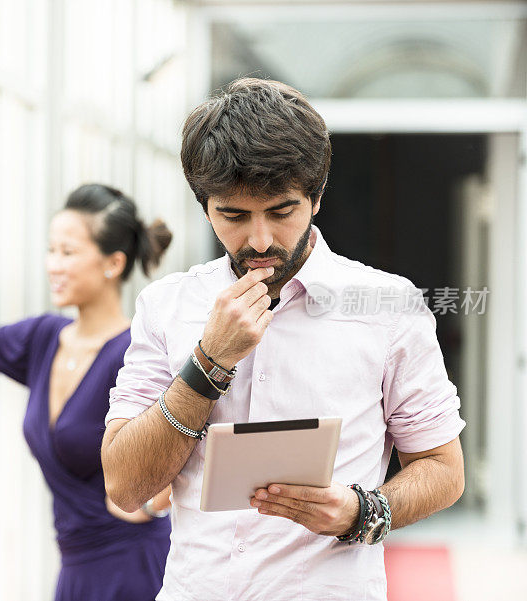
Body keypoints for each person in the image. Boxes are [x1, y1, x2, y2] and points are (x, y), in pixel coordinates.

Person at [101, 78, 466, 601]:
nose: (260, 241)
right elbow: (126, 487)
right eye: (233, 215)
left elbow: (442, 469)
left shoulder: (388, 305)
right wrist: (208, 363)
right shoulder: (167, 306)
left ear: (316, 199)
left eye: (280, 211)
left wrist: (363, 512)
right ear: (205, 206)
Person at [0, 183, 174, 601]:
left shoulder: (136, 352)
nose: (52, 265)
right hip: (75, 567)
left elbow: (183, 432)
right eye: (51, 250)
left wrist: (154, 503)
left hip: (135, 564)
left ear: (113, 263)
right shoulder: (43, 337)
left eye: (67, 252)